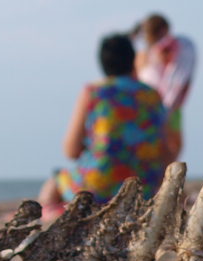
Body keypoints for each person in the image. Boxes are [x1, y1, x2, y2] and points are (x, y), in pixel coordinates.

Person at [38, 33, 174, 219]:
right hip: (143, 187)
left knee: (53, 184)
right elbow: (165, 150)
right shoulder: (151, 95)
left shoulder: (94, 92)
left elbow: (70, 150)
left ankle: (54, 214)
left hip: (98, 185)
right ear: (132, 59)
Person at [134, 13, 196, 155]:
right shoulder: (168, 50)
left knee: (161, 144)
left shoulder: (143, 55)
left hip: (151, 106)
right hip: (165, 106)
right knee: (171, 146)